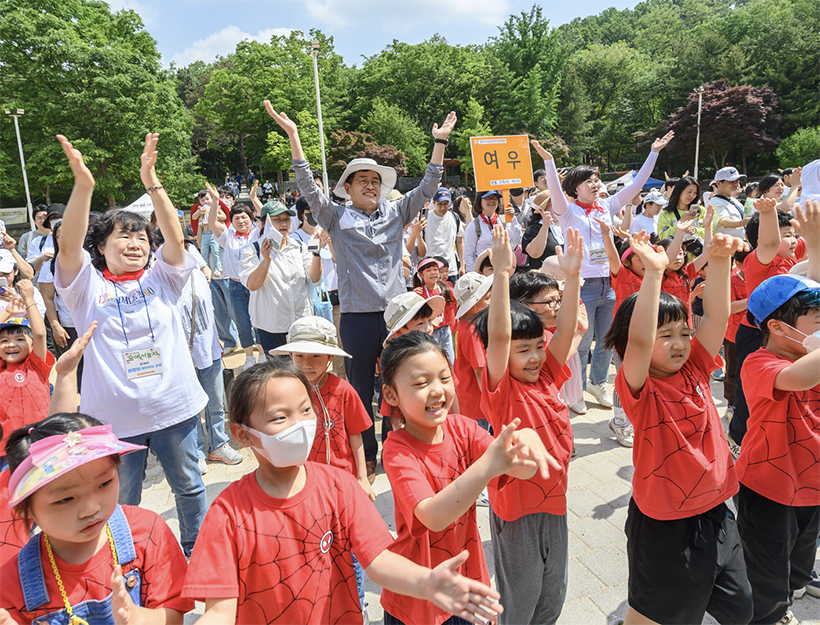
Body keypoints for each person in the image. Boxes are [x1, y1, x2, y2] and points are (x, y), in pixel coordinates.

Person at [181, 358, 504, 625]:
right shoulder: (227, 513)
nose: (299, 424)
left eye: (306, 411)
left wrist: (427, 582)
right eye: (280, 417)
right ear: (242, 434)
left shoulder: (338, 486)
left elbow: (378, 560)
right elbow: (220, 610)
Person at [266, 101, 457, 481]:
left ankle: (399, 448)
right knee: (358, 391)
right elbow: (306, 183)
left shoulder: (397, 212)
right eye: (361, 181)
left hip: (399, 316)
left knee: (402, 382)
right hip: (357, 317)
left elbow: (428, 187)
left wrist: (439, 143)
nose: (370, 186)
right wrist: (294, 137)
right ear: (347, 189)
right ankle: (365, 455)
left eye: (376, 181)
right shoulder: (335, 216)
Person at [54, 133, 209, 557]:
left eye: (141, 236)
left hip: (173, 407)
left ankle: (196, 552)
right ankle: (129, 559)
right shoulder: (85, 287)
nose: (136, 242)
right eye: (123, 236)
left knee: (191, 485)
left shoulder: (163, 277)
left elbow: (175, 241)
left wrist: (152, 180)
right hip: (115, 420)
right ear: (101, 248)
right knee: (123, 499)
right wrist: (83, 187)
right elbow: (68, 247)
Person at [603, 232, 753, 625]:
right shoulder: (639, 385)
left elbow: (717, 317)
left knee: (739, 607)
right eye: (664, 335)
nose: (680, 343)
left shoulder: (696, 367)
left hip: (718, 511)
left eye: (684, 333)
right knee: (656, 616)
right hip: (664, 524)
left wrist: (719, 261)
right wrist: (653, 275)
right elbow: (638, 341)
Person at [379, 331, 556, 625]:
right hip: (417, 593)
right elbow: (432, 517)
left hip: (467, 581)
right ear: (391, 394)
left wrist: (525, 441)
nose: (437, 390)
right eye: (421, 383)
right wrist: (488, 464)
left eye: (444, 378)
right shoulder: (398, 450)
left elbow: (520, 469)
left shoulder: (463, 428)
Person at [473, 225, 583, 625]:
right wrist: (502, 273)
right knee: (520, 600)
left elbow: (566, 329)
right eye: (524, 350)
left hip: (555, 503)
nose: (536, 356)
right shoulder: (501, 389)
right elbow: (500, 336)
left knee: (553, 595)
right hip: (517, 511)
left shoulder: (549, 375)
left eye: (538, 346)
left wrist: (572, 278)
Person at [0, 415, 194, 625]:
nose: (91, 509)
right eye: (65, 499)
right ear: (24, 509)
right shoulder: (12, 585)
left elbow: (173, 614)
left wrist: (137, 618)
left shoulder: (148, 533)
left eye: (104, 483)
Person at [532, 131, 675, 411]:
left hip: (609, 283)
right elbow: (555, 190)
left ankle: (598, 384)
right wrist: (549, 162)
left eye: (597, 179)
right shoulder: (567, 210)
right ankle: (577, 391)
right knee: (581, 342)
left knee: (606, 340)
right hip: (581, 285)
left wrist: (654, 152)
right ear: (575, 188)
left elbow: (638, 185)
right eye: (589, 181)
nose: (596, 184)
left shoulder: (608, 206)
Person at [736, 274, 820, 625]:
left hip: (812, 484)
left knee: (801, 556)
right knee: (766, 567)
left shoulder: (809, 354)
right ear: (778, 327)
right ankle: (769, 613)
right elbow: (799, 378)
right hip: (769, 487)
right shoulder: (759, 362)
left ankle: (792, 589)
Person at [727, 199, 815, 456]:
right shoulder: (759, 260)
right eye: (786, 235)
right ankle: (738, 440)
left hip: (788, 334)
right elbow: (769, 243)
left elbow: (812, 244)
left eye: (793, 234)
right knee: (748, 391)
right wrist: (766, 213)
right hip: (757, 334)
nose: (793, 240)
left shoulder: (793, 258)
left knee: (784, 386)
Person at [178, 241, 243, 472]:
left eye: (185, 246)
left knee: (215, 400)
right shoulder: (161, 279)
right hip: (182, 354)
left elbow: (209, 309)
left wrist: (215, 338)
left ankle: (218, 444)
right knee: (191, 405)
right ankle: (196, 452)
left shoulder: (198, 275)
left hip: (209, 348)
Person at [240, 201, 325, 354]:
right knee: (279, 373)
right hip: (272, 326)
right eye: (277, 220)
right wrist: (266, 260)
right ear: (264, 224)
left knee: (303, 372)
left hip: (301, 324)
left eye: (286, 219)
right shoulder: (253, 251)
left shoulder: (299, 247)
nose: (283, 224)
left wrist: (316, 254)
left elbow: (314, 279)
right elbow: (252, 285)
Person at [206, 183, 262, 369]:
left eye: (244, 217)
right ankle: (249, 357)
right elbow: (212, 222)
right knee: (242, 321)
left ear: (251, 218)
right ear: (232, 221)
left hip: (256, 283)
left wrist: (254, 198)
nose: (241, 221)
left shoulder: (257, 234)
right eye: (237, 218)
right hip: (235, 285)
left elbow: (269, 219)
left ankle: (262, 354)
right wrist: (215, 201)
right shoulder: (227, 235)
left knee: (259, 320)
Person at [0, 280, 54, 454]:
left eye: (20, 339)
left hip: (40, 442)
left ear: (32, 346)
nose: (11, 345)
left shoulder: (37, 365)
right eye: (4, 341)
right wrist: (8, 311)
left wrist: (29, 299)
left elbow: (39, 333)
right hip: (6, 449)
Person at [453, 272, 493, 428]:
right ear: (475, 303)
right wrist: (491, 402)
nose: (491, 302)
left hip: (466, 396)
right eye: (487, 298)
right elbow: (480, 370)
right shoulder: (472, 331)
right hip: (478, 404)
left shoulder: (461, 324)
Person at [462, 191, 520, 273]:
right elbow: (468, 254)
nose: (492, 201)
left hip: (504, 269)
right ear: (479, 201)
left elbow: (517, 241)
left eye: (494, 198)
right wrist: (474, 275)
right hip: (484, 272)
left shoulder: (504, 221)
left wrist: (513, 219)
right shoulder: (473, 226)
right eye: (488, 198)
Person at [424, 187, 465, 282]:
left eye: (446, 204)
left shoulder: (454, 217)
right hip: (431, 269)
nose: (443, 207)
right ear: (433, 202)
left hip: (450, 270)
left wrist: (462, 265)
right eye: (440, 204)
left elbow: (459, 242)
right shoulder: (425, 218)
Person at [707, 167, 749, 239]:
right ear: (718, 183)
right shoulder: (714, 202)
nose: (735, 183)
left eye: (736, 180)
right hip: (726, 246)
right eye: (731, 181)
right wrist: (743, 222)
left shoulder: (734, 200)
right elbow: (724, 221)